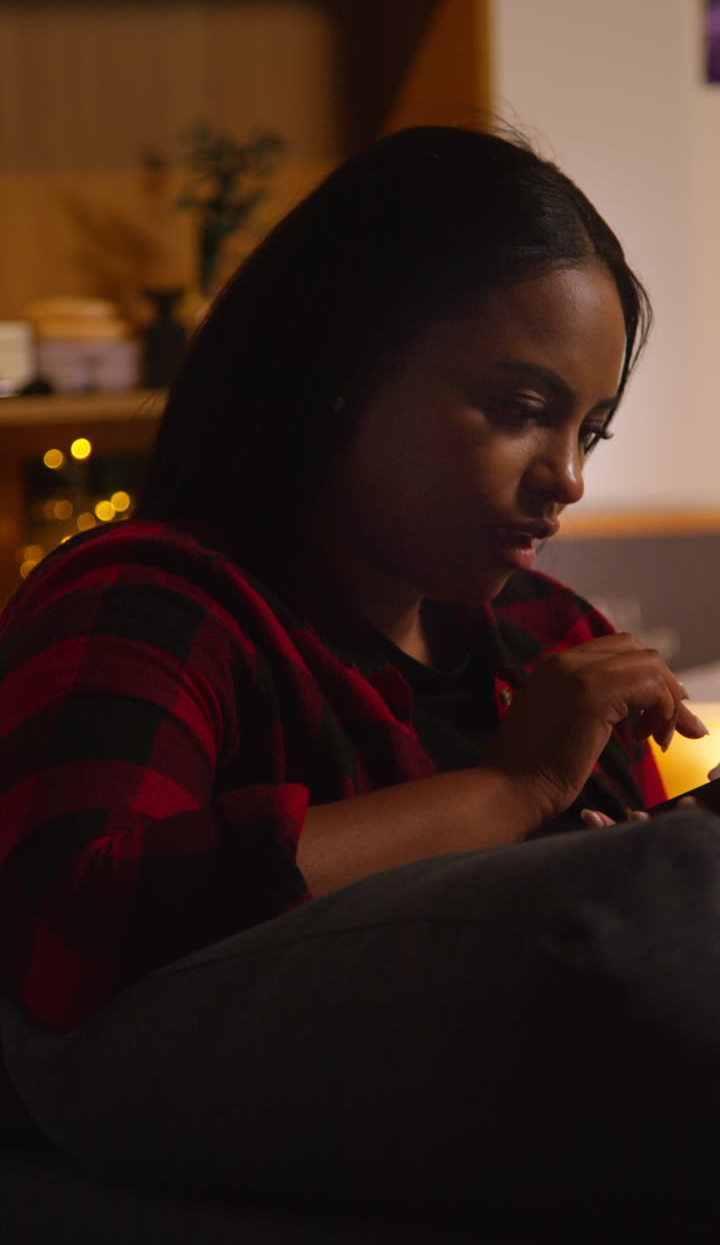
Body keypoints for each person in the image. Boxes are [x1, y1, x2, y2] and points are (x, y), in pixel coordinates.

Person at [0, 125, 718, 1227]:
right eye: (522, 409)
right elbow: (72, 906)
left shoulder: (548, 636)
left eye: (592, 431)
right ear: (341, 371)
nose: (566, 478)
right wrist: (508, 791)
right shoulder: (153, 595)